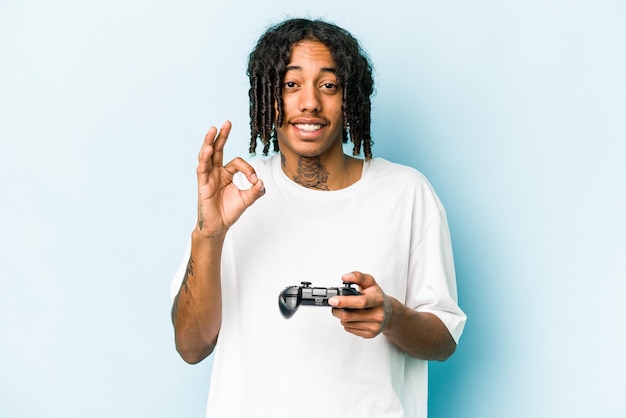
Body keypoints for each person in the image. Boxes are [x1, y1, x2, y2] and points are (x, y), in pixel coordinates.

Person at [171, 18, 466, 418]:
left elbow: (444, 340)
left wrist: (392, 317)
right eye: (291, 84)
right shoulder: (236, 192)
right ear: (268, 96)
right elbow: (191, 346)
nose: (309, 102)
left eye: (328, 85)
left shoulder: (406, 193)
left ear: (351, 98)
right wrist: (209, 234)